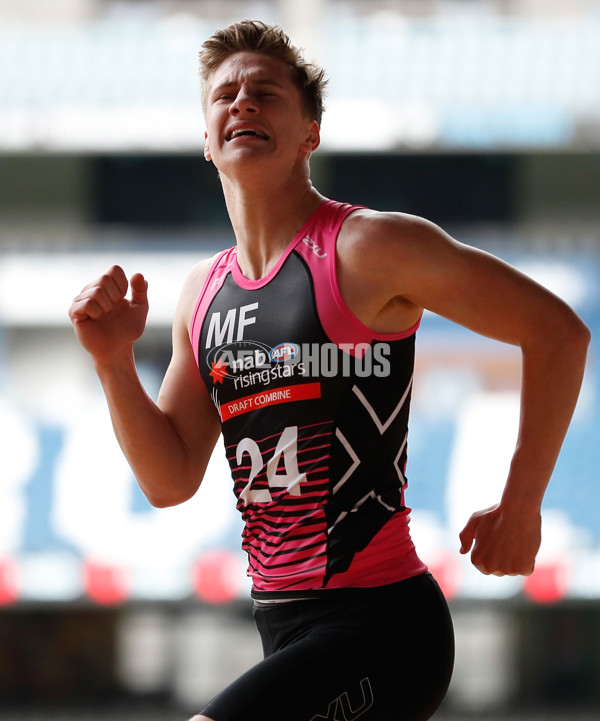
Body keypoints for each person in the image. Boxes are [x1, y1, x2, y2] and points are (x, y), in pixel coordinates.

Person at [68, 19, 590, 721]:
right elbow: (169, 478)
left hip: (383, 626)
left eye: (266, 93)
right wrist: (111, 363)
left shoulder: (370, 247)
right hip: (280, 627)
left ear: (311, 131)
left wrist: (522, 502)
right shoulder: (203, 292)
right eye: (225, 94)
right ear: (205, 139)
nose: (243, 103)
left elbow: (558, 332)